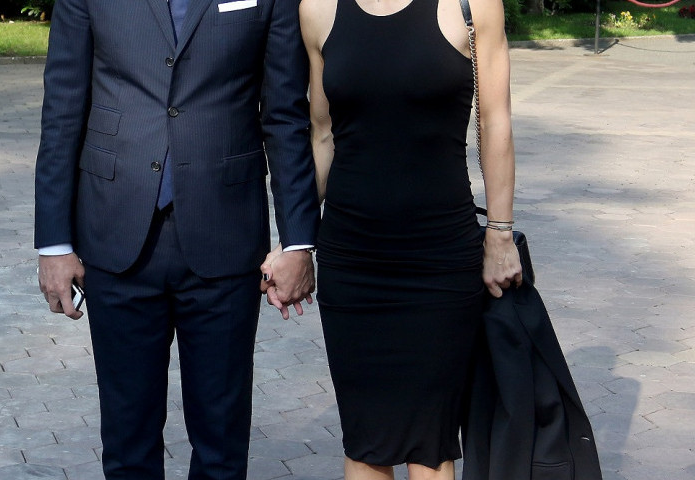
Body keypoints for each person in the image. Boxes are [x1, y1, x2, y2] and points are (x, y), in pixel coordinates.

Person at [34, 0, 320, 478]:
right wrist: (54, 244)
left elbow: (286, 117)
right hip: (116, 233)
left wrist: (298, 242)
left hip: (226, 237)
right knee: (127, 444)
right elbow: (62, 110)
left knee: (222, 445)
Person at [263, 0, 522, 479]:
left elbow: (495, 121)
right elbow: (322, 135)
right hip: (352, 263)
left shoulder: (471, 5)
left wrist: (500, 234)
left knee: (431, 445)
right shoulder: (317, 9)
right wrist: (293, 237)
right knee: (365, 441)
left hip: (440, 260)